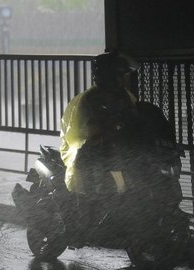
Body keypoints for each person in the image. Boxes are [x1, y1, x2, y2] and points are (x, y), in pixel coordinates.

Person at [60, 51, 140, 196]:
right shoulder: (90, 99)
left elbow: (135, 119)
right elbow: (82, 133)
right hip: (95, 157)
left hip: (116, 154)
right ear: (109, 76)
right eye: (120, 76)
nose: (122, 80)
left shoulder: (124, 96)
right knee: (97, 198)